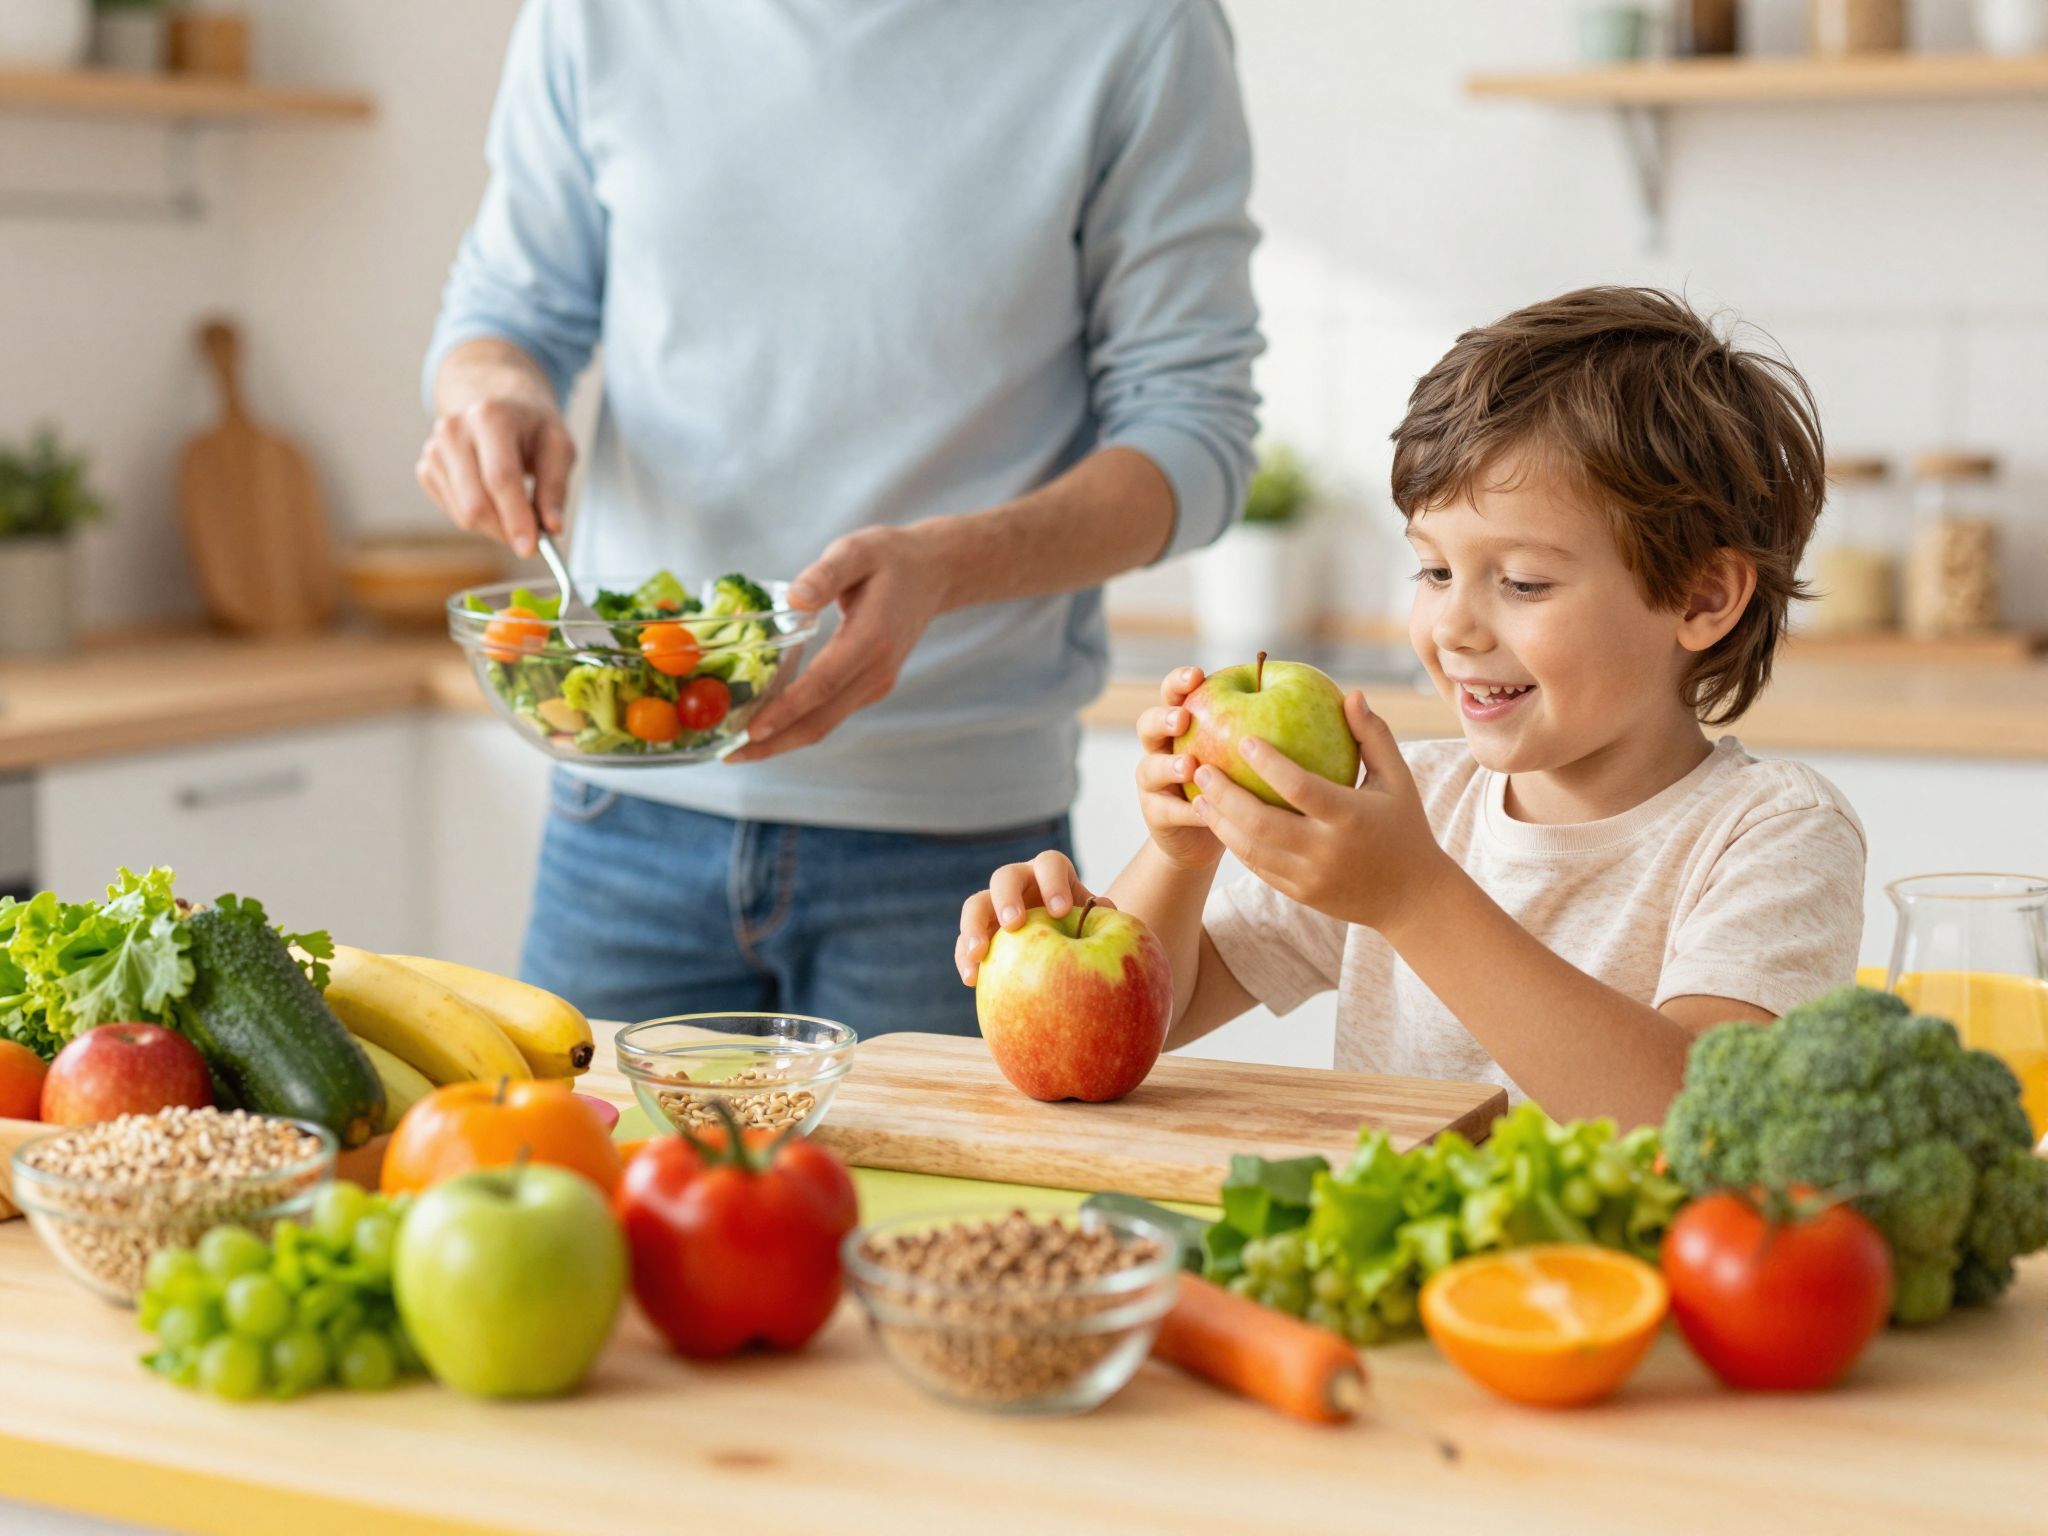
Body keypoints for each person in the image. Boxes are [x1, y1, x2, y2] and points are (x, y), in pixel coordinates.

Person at [416, 0, 1261, 1033]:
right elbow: (504, 310)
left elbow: (1192, 434)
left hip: (955, 855)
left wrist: (948, 565)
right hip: (620, 814)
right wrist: (492, 393)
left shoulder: (1140, 29)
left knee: (943, 1207)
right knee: (573, 1188)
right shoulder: (597, 16)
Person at [957, 287, 1866, 1127]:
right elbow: (1157, 1018)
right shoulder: (1410, 803)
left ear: (1704, 599)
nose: (1454, 626)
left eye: (1521, 581)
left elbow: (1704, 1117)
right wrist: (1178, 855)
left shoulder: (1772, 833)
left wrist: (1413, 895)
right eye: (1433, 570)